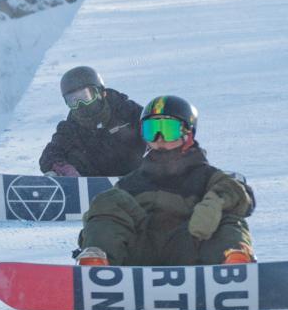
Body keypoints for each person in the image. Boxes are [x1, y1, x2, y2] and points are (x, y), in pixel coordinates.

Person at [76, 95, 255, 266]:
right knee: (109, 202)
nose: (159, 139)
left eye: (168, 130)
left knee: (226, 214)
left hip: (192, 250)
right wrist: (96, 227)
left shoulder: (207, 176)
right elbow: (104, 221)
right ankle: (96, 265)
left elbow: (242, 195)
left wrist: (216, 201)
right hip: (140, 254)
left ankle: (233, 263)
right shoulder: (131, 183)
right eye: (152, 130)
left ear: (188, 133)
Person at [39, 66, 145, 177]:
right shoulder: (70, 129)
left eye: (86, 96)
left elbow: (156, 128)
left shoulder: (127, 111)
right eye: (73, 100)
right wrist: (62, 167)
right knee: (68, 158)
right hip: (93, 189)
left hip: (136, 183)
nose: (80, 104)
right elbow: (50, 154)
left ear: (101, 93)